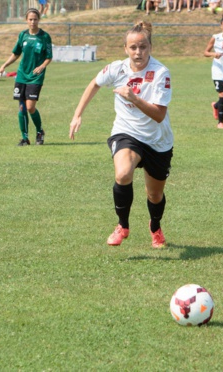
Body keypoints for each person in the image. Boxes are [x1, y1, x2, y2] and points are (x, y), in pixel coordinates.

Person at [69, 21, 173, 249]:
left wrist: (134, 98)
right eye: (133, 47)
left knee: (154, 195)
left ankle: (155, 226)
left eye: (143, 47)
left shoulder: (161, 73)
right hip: (126, 133)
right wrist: (77, 115)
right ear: (125, 49)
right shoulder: (117, 69)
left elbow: (159, 115)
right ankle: (122, 225)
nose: (138, 52)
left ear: (150, 47)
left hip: (157, 141)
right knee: (123, 173)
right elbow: (94, 84)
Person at [0, 8, 52, 146]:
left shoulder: (45, 37)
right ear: (26, 21)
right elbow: (16, 53)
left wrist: (42, 66)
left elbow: (49, 57)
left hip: (35, 77)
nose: (33, 22)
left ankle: (39, 131)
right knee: (21, 108)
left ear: (38, 20)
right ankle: (25, 138)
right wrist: (4, 65)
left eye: (35, 19)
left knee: (30, 107)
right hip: (21, 75)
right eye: (30, 19)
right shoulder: (23, 35)